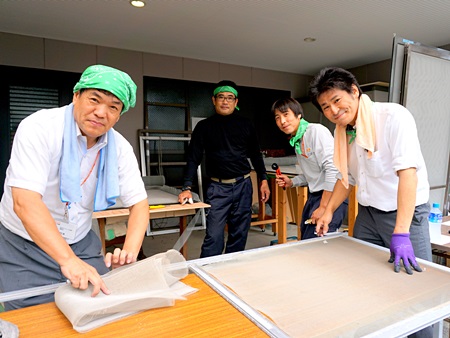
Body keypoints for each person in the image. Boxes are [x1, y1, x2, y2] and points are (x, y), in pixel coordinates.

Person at [0, 65, 150, 310]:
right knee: (36, 318)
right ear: (76, 95)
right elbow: (24, 202)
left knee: (98, 307)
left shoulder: (119, 147)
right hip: (23, 242)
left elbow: (139, 204)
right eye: (94, 99)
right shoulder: (40, 128)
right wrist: (68, 260)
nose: (101, 112)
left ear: (119, 115)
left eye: (113, 107)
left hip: (79, 239)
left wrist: (129, 253)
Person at [309, 67, 431, 276]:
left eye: (336, 100)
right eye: (326, 107)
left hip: (403, 214)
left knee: (416, 279)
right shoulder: (342, 132)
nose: (333, 111)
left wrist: (401, 233)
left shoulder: (394, 117)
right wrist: (328, 212)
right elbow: (346, 177)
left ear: (354, 91)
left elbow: (408, 174)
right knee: (364, 273)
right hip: (367, 215)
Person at [178, 80, 270, 258]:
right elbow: (193, 158)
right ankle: (206, 272)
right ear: (214, 100)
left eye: (230, 98)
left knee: (239, 234)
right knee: (214, 235)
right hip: (218, 188)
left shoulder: (246, 124)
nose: (225, 101)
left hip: (243, 185)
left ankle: (230, 271)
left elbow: (256, 155)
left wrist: (263, 179)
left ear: (236, 102)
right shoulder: (204, 127)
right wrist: (186, 187)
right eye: (221, 97)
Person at [272, 98, 347, 239]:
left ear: (298, 114)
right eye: (278, 118)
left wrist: (324, 207)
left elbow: (333, 168)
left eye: (286, 114)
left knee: (318, 244)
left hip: (331, 195)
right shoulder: (297, 140)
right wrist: (292, 182)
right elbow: (311, 174)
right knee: (306, 238)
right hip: (315, 196)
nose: (282, 121)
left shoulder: (315, 132)